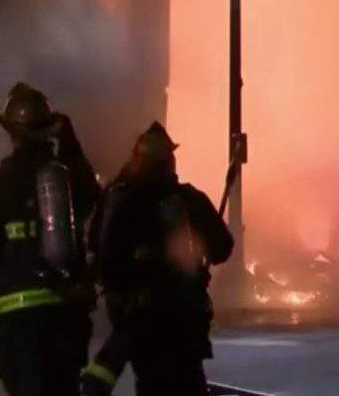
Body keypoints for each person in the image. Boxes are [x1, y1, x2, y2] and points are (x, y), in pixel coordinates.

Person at [0, 83, 99, 396]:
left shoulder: (0, 184)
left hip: (19, 321)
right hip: (65, 315)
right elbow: (91, 197)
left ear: (11, 133)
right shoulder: (65, 177)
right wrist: (70, 144)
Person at [84, 122, 232, 396]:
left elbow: (100, 252)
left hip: (139, 323)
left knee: (151, 384)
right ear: (169, 161)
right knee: (189, 385)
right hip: (185, 322)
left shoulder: (118, 199)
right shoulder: (189, 199)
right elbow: (223, 248)